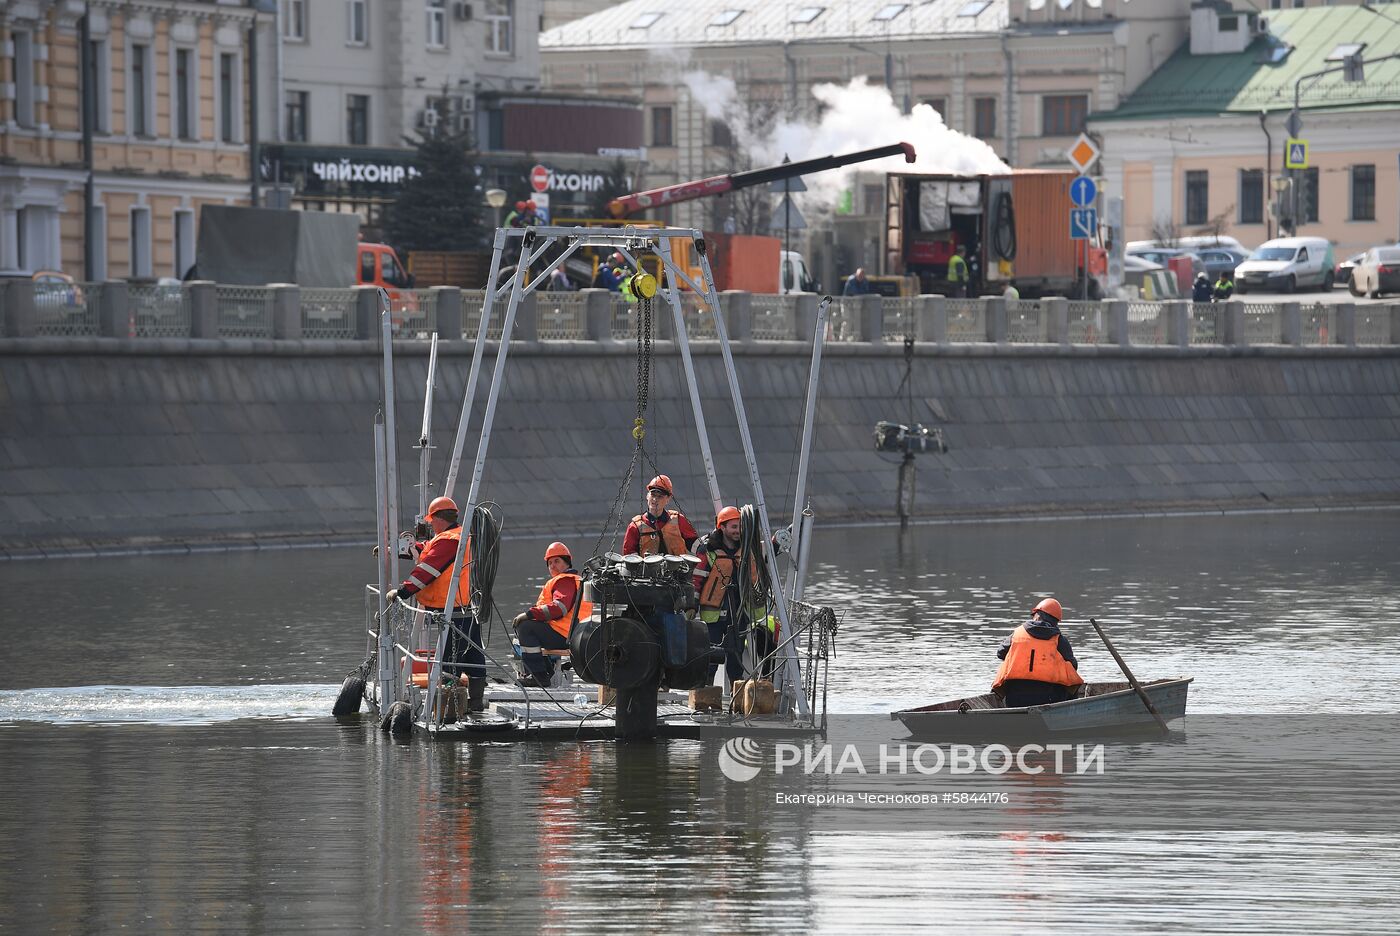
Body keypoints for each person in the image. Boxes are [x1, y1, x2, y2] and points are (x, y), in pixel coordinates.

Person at [384, 496, 486, 711]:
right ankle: (475, 702)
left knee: (451, 656)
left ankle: (448, 708)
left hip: (453, 608)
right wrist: (396, 550)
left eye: (431, 520)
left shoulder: (449, 540)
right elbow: (428, 549)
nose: (429, 524)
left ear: (438, 518)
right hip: (465, 606)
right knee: (473, 654)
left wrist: (403, 591)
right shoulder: (456, 536)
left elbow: (428, 569)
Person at [693, 506, 771, 684]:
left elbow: (767, 554)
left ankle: (738, 700)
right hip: (713, 617)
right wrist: (692, 606)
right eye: (734, 527)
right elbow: (697, 581)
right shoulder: (708, 551)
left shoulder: (748, 549)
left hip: (739, 614)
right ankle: (706, 696)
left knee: (735, 660)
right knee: (710, 659)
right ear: (722, 527)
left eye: (740, 527)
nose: (738, 531)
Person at [512, 542, 592, 688]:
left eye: (557, 561)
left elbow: (559, 608)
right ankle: (546, 671)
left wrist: (528, 614)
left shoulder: (565, 581)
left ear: (566, 562)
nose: (552, 566)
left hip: (564, 636)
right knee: (529, 629)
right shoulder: (575, 580)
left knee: (525, 627)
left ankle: (539, 676)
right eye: (550, 563)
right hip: (576, 635)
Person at [992, 598, 1083, 708]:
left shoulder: (1017, 634)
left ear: (1037, 615)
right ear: (1055, 621)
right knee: (1071, 683)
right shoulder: (1059, 640)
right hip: (1050, 699)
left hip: (1015, 699)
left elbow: (1000, 653)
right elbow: (1074, 666)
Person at [622, 474, 698, 557]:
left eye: (660, 496)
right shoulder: (635, 526)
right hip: (647, 570)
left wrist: (707, 544)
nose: (655, 499)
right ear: (647, 496)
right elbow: (629, 554)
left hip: (678, 569)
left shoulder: (678, 520)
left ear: (668, 499)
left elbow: (694, 544)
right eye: (653, 495)